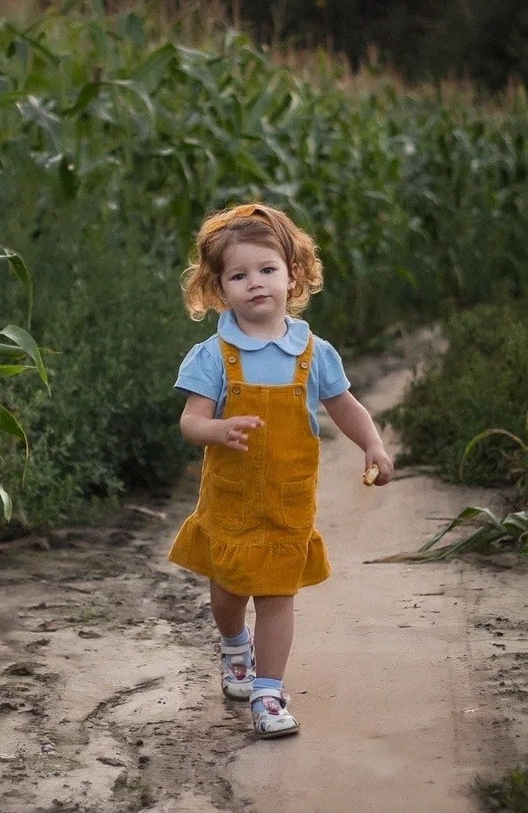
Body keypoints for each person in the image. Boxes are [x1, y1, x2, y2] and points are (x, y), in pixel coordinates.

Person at [168, 202, 394, 739]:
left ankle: (269, 692)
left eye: (266, 270)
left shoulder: (314, 352)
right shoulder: (213, 355)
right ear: (220, 289)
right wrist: (217, 430)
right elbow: (190, 422)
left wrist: (373, 443)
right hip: (231, 498)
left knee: (276, 594)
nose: (255, 284)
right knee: (227, 590)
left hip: (288, 500)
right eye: (238, 275)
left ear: (293, 275)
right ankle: (232, 644)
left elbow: (345, 407)